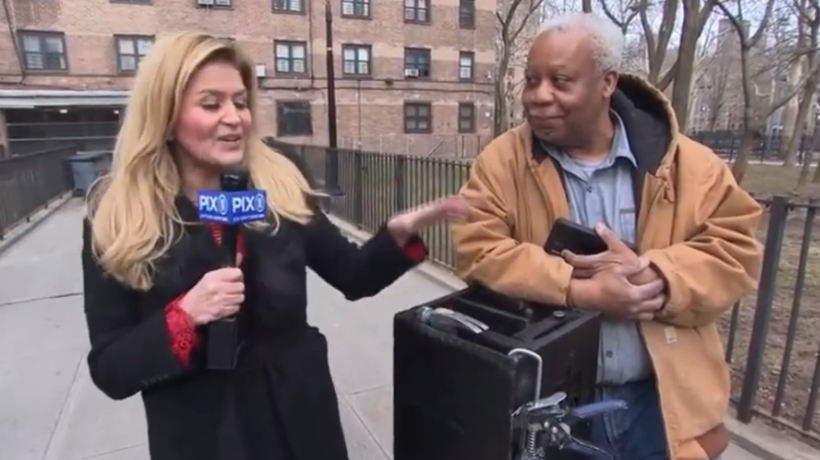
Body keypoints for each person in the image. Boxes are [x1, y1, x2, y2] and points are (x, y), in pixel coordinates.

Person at [82, 32, 467, 460]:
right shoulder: (118, 216)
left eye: (241, 102)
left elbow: (353, 275)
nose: (234, 118)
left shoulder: (279, 184)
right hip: (203, 437)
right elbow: (111, 370)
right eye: (211, 104)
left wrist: (398, 233)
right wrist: (186, 314)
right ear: (166, 114)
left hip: (300, 424)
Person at [452, 13, 763, 460]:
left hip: (659, 407)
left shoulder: (690, 165)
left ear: (606, 82)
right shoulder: (500, 162)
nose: (539, 96)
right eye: (531, 80)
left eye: (560, 80)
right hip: (552, 408)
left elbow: (737, 249)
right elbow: (476, 247)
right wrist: (580, 290)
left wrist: (659, 275)